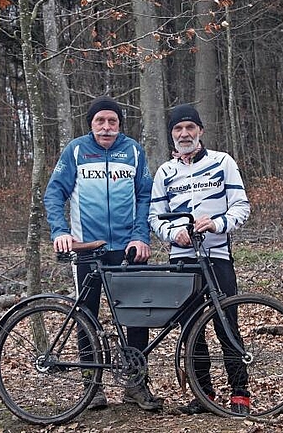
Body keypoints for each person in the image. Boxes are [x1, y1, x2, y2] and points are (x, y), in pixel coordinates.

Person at [44, 95, 161, 411]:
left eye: (112, 121)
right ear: (91, 124)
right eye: (100, 121)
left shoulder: (133, 151)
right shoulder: (77, 150)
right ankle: (91, 387)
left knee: (138, 316)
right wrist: (60, 231)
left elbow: (145, 197)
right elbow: (54, 193)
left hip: (128, 248)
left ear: (119, 124)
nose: (106, 127)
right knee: (87, 316)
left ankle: (136, 385)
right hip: (87, 249)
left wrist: (140, 236)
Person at [148, 104, 251, 415]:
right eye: (178, 129)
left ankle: (240, 394)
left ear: (200, 131)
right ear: (171, 135)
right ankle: (202, 395)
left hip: (217, 255)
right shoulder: (165, 171)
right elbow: (154, 217)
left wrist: (217, 223)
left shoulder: (223, 162)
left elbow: (241, 207)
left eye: (190, 127)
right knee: (192, 328)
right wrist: (172, 231)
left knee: (226, 323)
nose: (184, 134)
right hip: (181, 260)